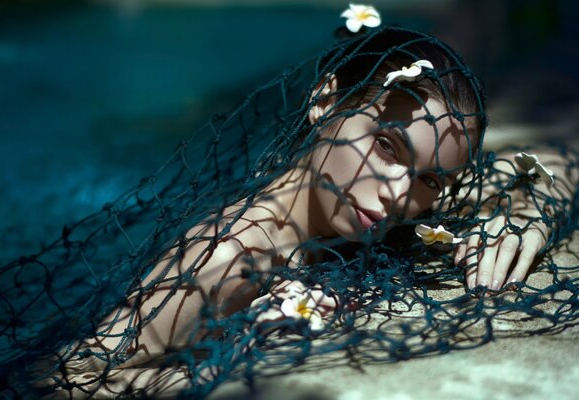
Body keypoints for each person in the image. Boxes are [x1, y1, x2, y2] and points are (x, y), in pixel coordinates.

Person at [32, 14, 577, 400]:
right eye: (386, 146)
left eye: (431, 178)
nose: (397, 193)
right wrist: (227, 356)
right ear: (325, 101)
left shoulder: (393, 207)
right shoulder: (228, 257)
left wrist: (531, 212)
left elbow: (560, 157)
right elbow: (71, 377)